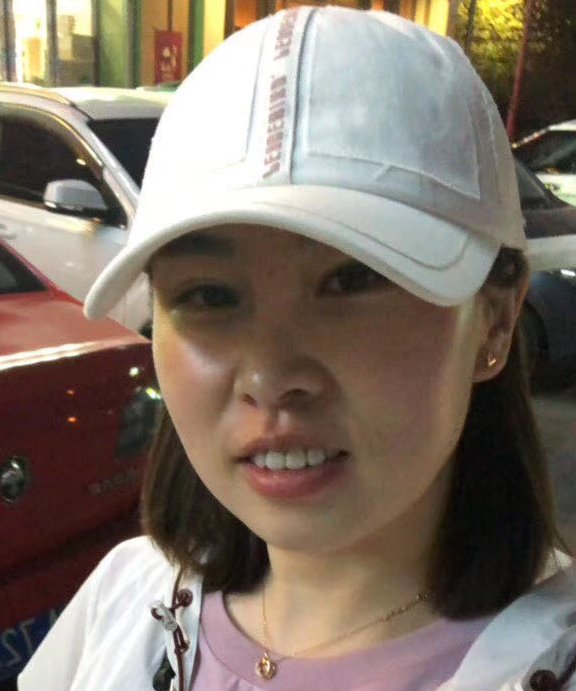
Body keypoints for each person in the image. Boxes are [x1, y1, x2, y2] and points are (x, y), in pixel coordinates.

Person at [19, 6, 576, 691]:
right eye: (209, 295)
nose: (270, 375)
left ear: (494, 321)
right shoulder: (121, 605)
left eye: (353, 280)